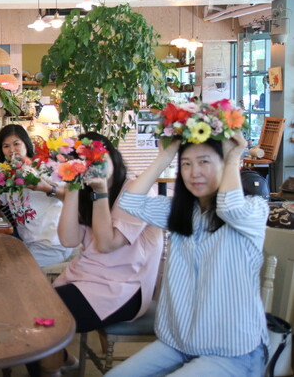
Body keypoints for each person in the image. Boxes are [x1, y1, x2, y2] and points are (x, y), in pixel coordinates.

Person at [106, 132, 268, 376]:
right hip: (179, 343)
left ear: (224, 164)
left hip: (231, 350)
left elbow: (230, 209)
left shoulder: (253, 210)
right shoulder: (180, 212)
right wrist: (166, 155)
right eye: (186, 164)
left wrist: (233, 156)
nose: (194, 173)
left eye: (204, 162)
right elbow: (129, 203)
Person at [41, 132, 164, 373]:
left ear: (113, 156)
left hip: (124, 288)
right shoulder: (87, 190)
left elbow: (107, 244)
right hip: (86, 278)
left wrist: (100, 193)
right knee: (35, 314)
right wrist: (73, 184)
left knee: (44, 320)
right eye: (84, 163)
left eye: (98, 159)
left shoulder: (134, 192)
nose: (93, 168)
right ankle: (61, 362)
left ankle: (59, 362)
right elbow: (69, 239)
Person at [0, 124, 75, 267]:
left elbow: (71, 197)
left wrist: (46, 188)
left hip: (53, 244)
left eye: (16, 144)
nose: (12, 150)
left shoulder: (43, 167)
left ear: (26, 144)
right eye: (6, 146)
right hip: (28, 243)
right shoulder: (7, 173)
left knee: (8, 269)